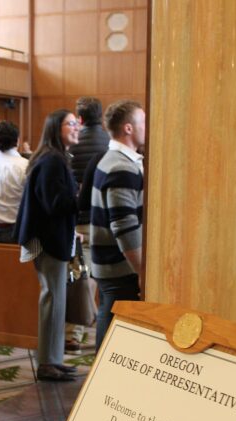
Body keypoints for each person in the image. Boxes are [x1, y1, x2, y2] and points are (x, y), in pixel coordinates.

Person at [13, 109, 81, 382]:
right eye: (70, 124)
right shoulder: (52, 160)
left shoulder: (54, 157)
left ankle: (53, 360)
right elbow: (55, 204)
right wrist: (80, 195)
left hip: (51, 237)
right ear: (56, 128)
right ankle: (47, 363)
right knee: (53, 299)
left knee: (55, 299)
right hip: (49, 240)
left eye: (76, 123)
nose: (76, 127)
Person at [90, 100, 147, 349]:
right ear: (128, 128)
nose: (147, 126)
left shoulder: (114, 160)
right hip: (120, 266)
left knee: (110, 322)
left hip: (114, 264)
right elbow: (125, 228)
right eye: (143, 121)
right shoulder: (120, 167)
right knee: (114, 334)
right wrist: (142, 271)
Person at [66, 97, 110, 353]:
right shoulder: (109, 142)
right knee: (101, 280)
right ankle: (101, 330)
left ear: (80, 118)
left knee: (78, 277)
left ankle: (73, 334)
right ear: (101, 116)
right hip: (104, 221)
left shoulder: (73, 142)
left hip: (79, 224)